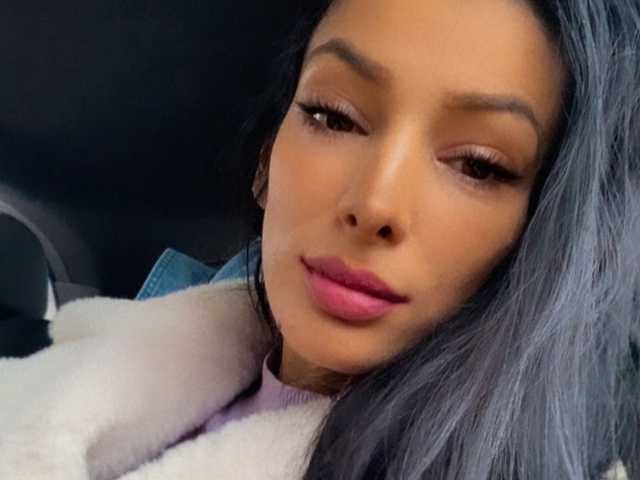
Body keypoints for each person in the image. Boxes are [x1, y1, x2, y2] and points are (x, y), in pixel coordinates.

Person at [1, 0, 638, 478]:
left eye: (479, 164)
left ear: (541, 231)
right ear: (265, 164)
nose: (375, 203)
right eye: (332, 116)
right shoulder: (67, 375)